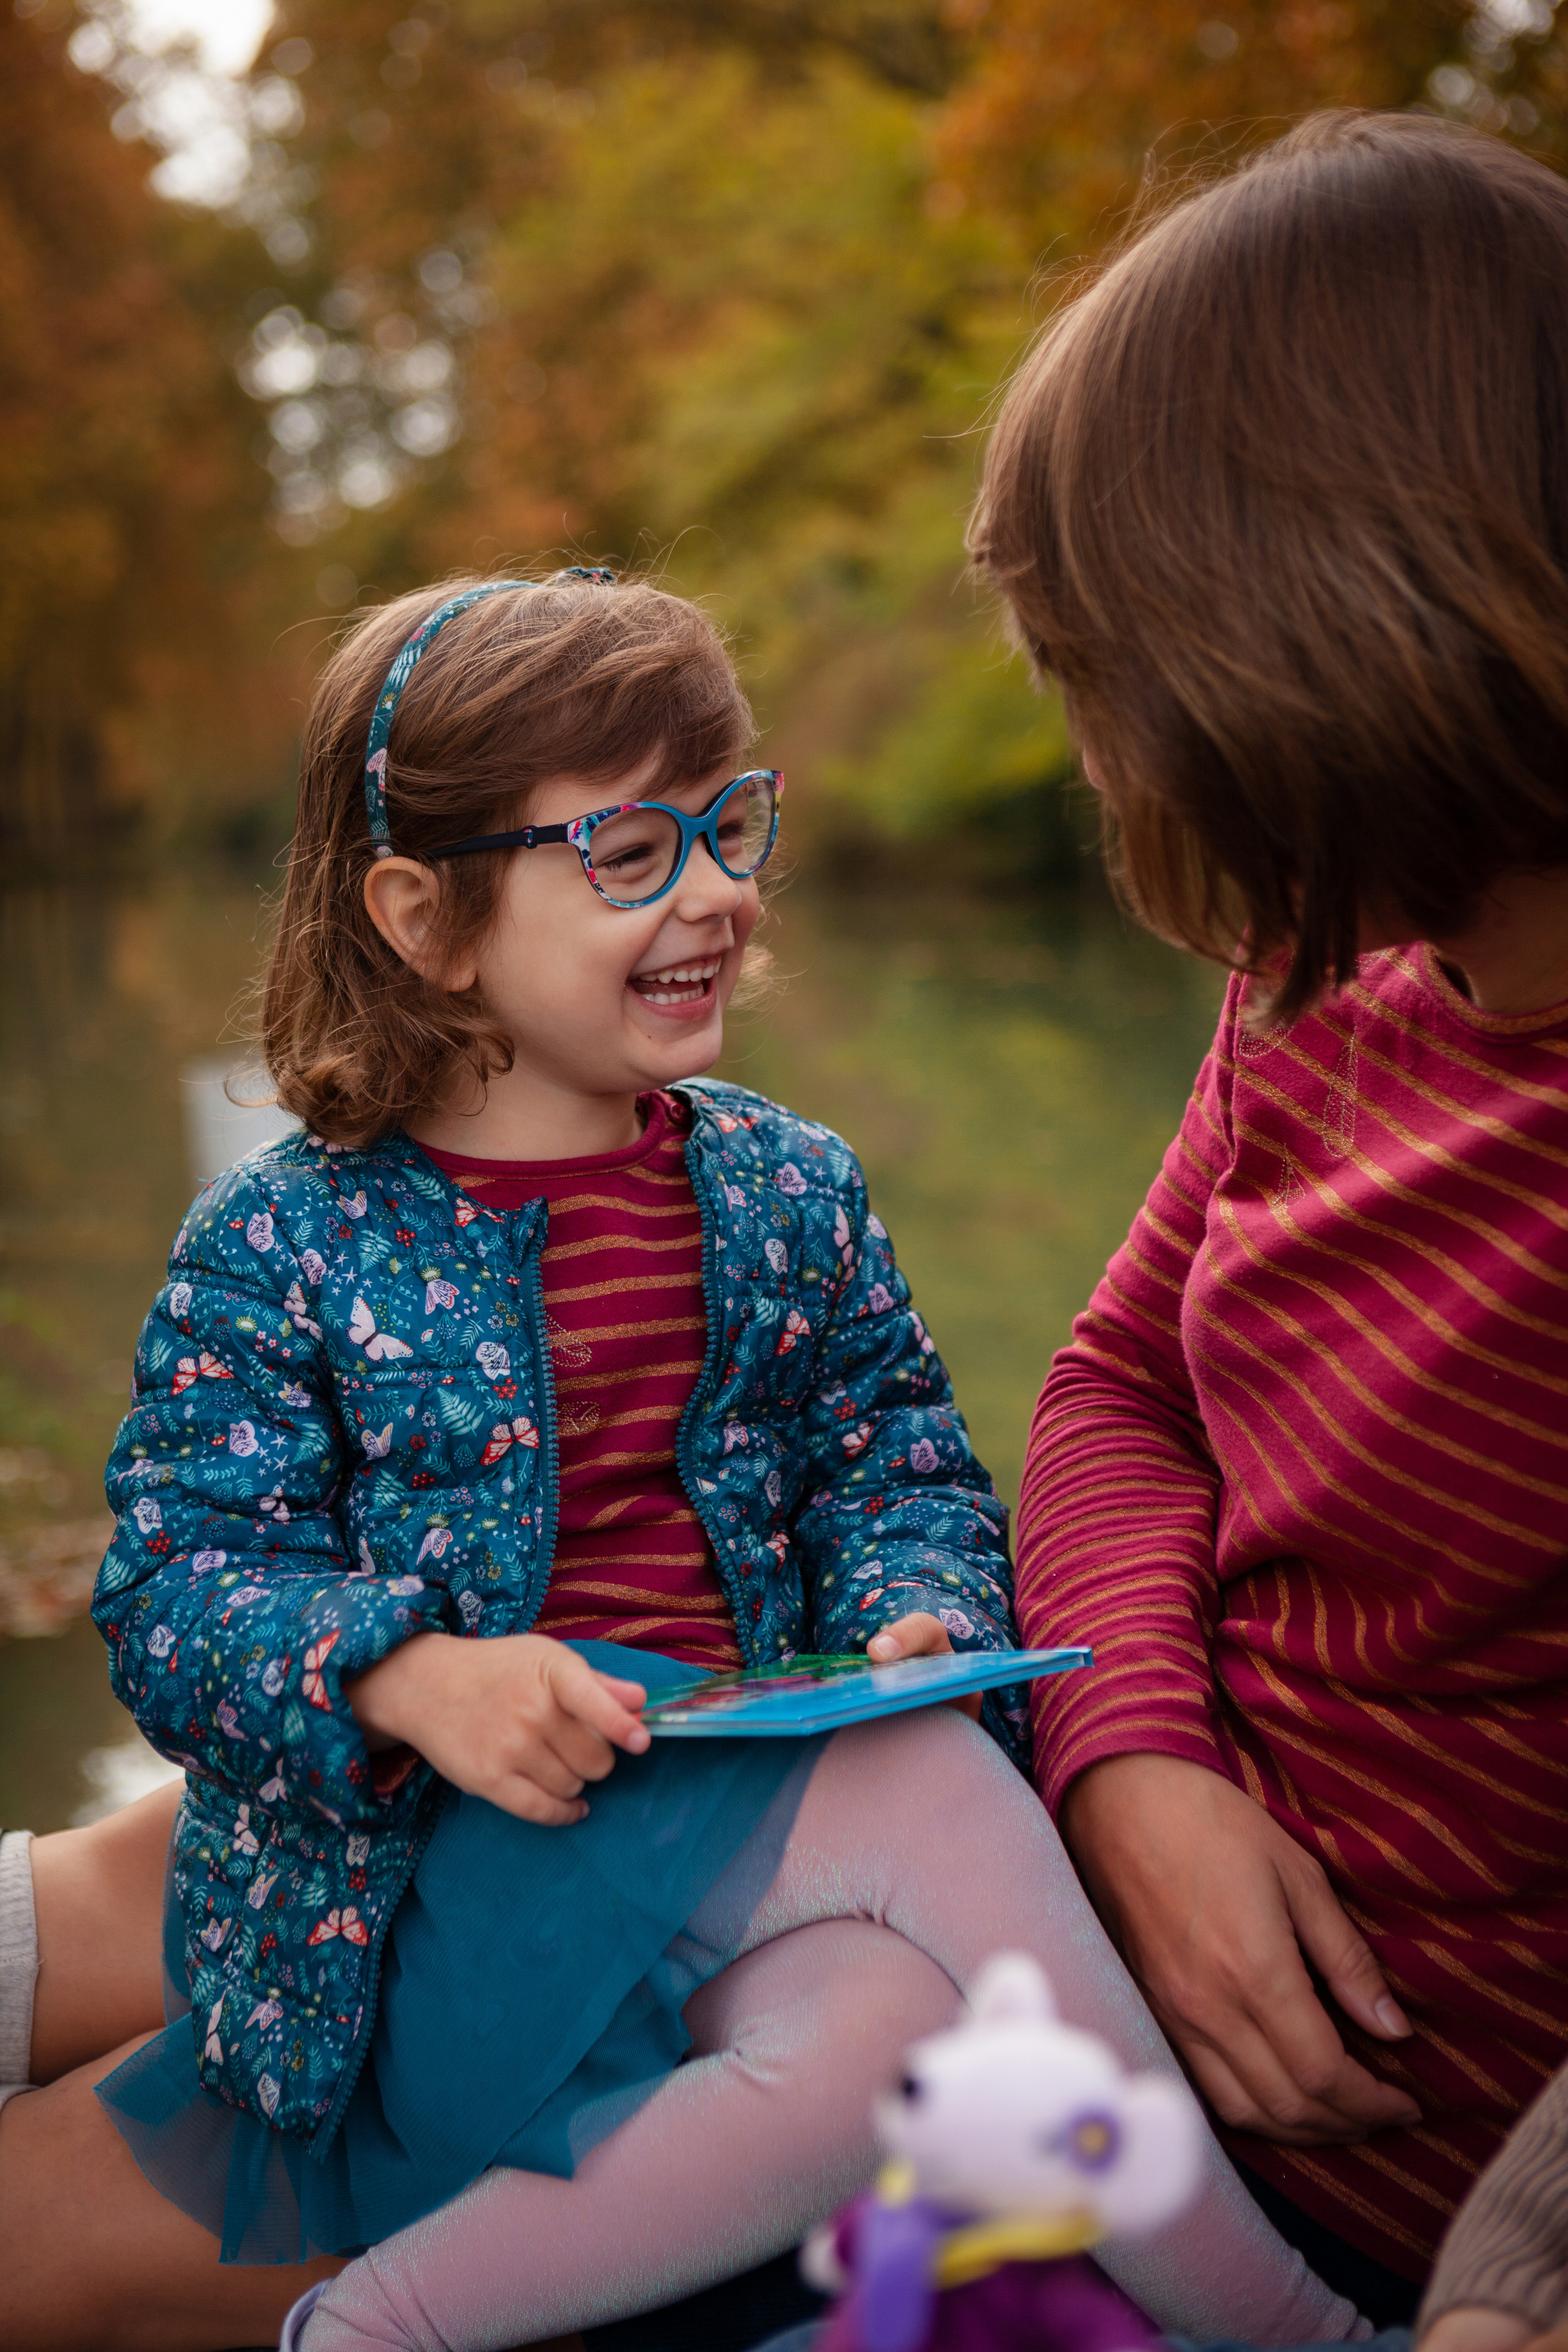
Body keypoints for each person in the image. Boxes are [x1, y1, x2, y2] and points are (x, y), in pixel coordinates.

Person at [0, 571, 1359, 2352]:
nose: (715, 889)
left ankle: (378, 2332)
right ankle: (1304, 2336)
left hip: (729, 1840)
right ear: (427, 916)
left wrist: (921, 1613)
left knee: (887, 2015)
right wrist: (407, 1674)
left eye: (730, 826)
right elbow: (178, 1592)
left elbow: (898, 1462)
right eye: (631, 852)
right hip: (439, 1885)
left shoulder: (787, 1189)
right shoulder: (285, 1247)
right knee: (941, 1799)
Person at [967, 108, 1568, 2334]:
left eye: (1101, 675)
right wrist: (1137, 1760)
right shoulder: (1326, 979)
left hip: (1361, 2224)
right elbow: (1119, 1383)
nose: (1096, 756)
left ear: (1308, 625)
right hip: (1097, 1961)